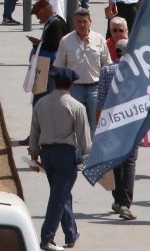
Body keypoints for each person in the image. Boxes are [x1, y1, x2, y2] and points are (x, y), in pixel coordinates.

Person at [29, 68, 91, 251]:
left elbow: (34, 131)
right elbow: (84, 138)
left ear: (54, 82)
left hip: (47, 154)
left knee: (62, 194)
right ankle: (46, 238)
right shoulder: (76, 106)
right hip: (66, 155)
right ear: (71, 84)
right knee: (58, 196)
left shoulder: (41, 103)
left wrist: (33, 155)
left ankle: (71, 233)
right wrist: (88, 158)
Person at [95, 39, 137, 220]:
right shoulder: (138, 73)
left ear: (116, 52)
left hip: (111, 122)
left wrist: (99, 126)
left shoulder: (107, 71)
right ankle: (125, 203)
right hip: (132, 122)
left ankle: (119, 201)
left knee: (115, 162)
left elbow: (101, 100)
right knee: (129, 163)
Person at [56, 8, 110, 124]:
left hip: (95, 89)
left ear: (90, 22)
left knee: (96, 123)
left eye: (85, 21)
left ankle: (93, 143)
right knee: (74, 123)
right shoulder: (65, 41)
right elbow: (59, 67)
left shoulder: (99, 39)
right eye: (79, 21)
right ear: (74, 23)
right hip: (74, 89)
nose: (82, 24)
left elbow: (107, 64)